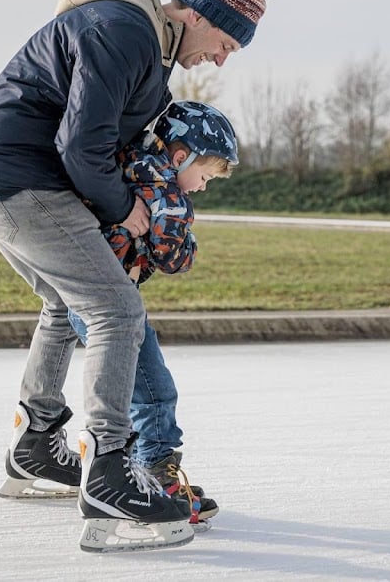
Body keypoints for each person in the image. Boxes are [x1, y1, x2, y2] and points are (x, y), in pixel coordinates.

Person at [0, 0, 280, 552]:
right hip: (17, 176)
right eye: (224, 43)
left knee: (62, 303)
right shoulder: (126, 30)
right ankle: (110, 474)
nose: (221, 60)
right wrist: (126, 208)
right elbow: (80, 144)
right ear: (197, 14)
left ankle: (36, 448)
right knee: (115, 312)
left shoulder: (141, 45)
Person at [67, 100, 238, 530]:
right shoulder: (169, 193)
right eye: (204, 176)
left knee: (130, 390)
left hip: (82, 297)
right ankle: (155, 476)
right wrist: (188, 242)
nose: (201, 187)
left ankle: (131, 468)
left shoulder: (130, 161)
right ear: (182, 157)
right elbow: (173, 257)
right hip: (113, 307)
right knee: (154, 391)